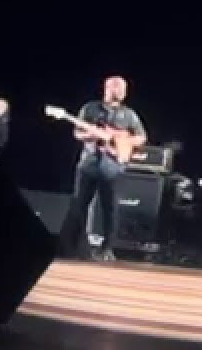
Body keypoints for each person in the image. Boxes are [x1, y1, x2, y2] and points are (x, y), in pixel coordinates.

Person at [58, 76, 148, 261]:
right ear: (108, 88)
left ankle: (107, 248)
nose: (122, 91)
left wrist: (120, 138)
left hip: (113, 166)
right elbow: (77, 133)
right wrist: (91, 135)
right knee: (79, 205)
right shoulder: (90, 108)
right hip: (89, 163)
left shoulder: (129, 114)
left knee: (110, 208)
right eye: (119, 87)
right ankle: (75, 246)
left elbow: (141, 137)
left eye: (124, 88)